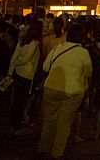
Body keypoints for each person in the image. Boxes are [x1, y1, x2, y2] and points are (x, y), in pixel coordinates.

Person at [37, 22, 92, 160]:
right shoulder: (83, 53)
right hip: (72, 91)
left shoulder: (58, 48)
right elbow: (88, 72)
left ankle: (43, 149)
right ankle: (57, 152)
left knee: (49, 120)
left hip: (51, 87)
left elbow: (45, 67)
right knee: (64, 123)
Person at [8, 19, 43, 135]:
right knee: (21, 101)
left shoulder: (22, 41)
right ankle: (17, 127)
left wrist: (11, 70)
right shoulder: (34, 43)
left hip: (17, 73)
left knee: (16, 101)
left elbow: (14, 57)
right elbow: (26, 59)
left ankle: (14, 124)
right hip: (27, 75)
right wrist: (17, 62)